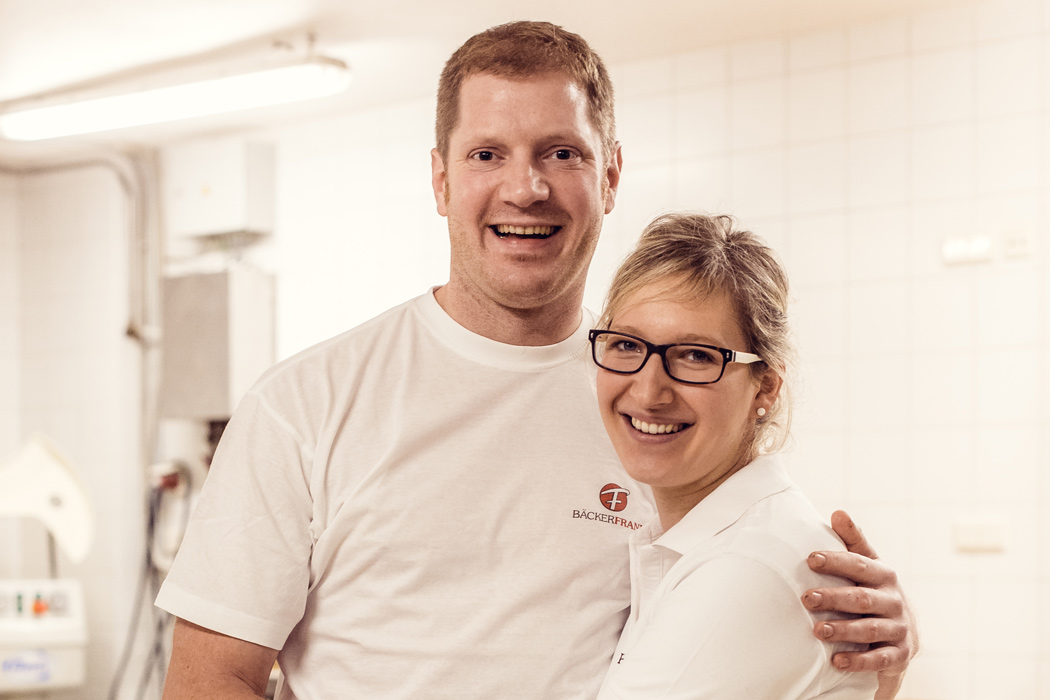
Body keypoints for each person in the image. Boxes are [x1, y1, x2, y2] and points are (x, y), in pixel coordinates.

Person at [157, 21, 915, 700]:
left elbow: (749, 576)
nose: (527, 188)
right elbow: (207, 678)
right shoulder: (306, 404)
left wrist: (874, 644)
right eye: (488, 154)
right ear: (441, 179)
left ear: (611, 176)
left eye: (562, 152)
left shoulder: (648, 408)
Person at [590, 212, 878, 699]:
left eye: (696, 355)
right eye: (626, 345)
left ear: (764, 386)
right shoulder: (717, 537)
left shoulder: (746, 569)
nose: (649, 391)